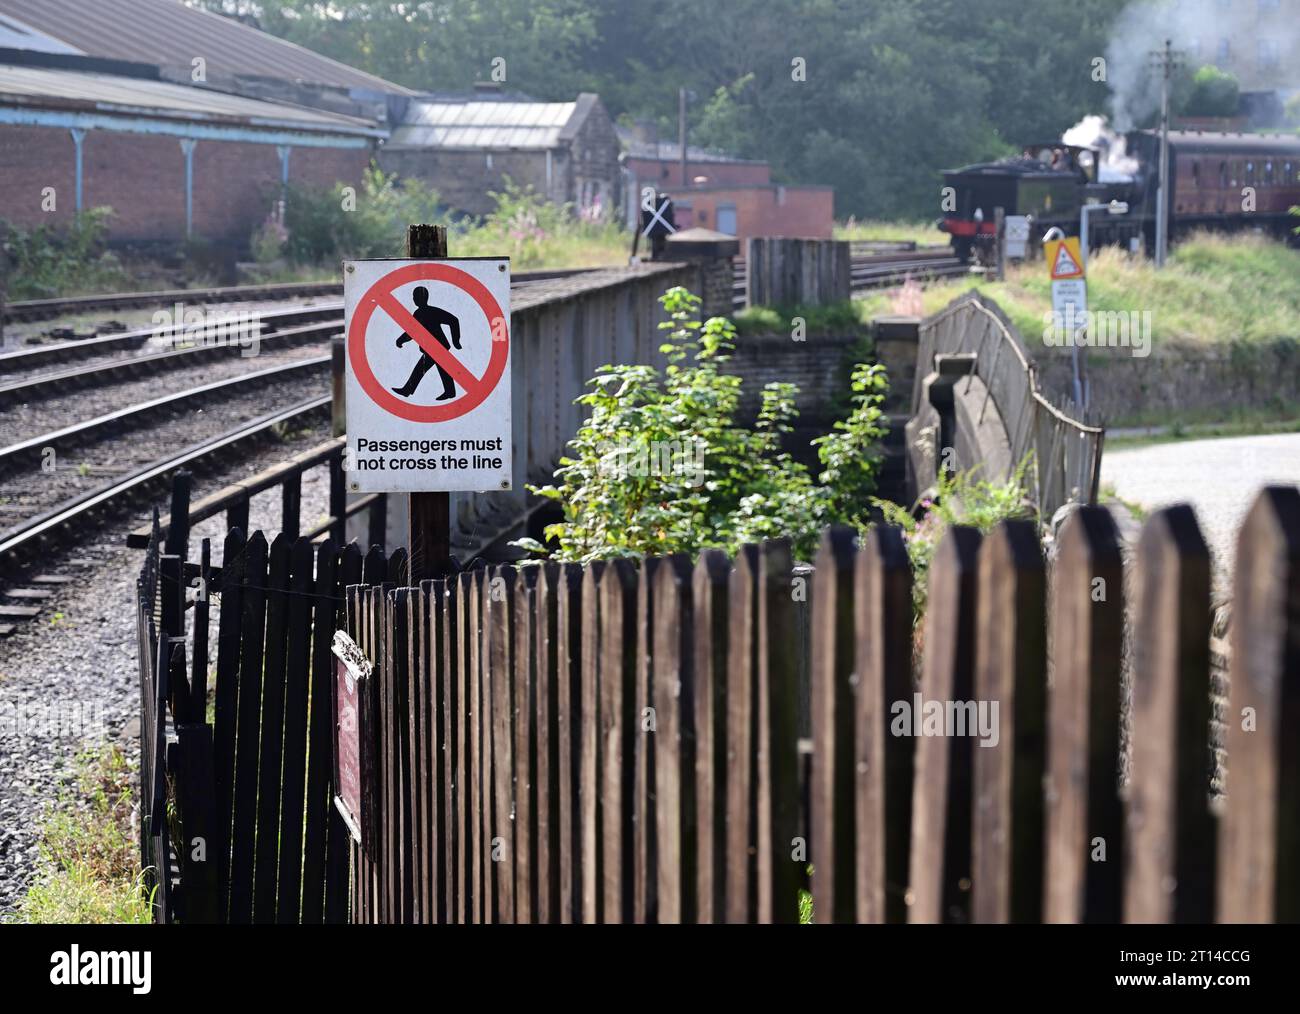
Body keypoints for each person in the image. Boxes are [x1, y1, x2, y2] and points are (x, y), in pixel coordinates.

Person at [392, 286, 462, 400]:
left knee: (420, 369)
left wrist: (456, 341)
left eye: (415, 297)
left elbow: (453, 320)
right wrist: (401, 340)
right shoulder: (421, 312)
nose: (414, 299)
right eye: (414, 297)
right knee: (443, 370)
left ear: (421, 298)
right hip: (435, 347)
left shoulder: (425, 312)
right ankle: (450, 392)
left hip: (436, 348)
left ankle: (407, 390)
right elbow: (413, 332)